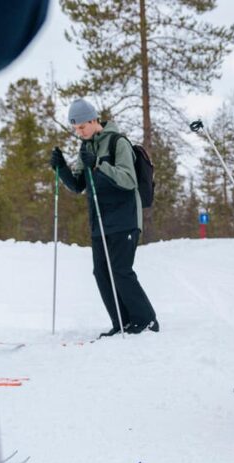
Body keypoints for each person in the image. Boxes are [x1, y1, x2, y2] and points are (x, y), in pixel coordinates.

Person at [49, 98, 158, 337]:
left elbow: (128, 180)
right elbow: (78, 185)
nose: (79, 132)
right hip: (100, 221)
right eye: (75, 128)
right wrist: (61, 169)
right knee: (101, 272)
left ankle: (146, 320)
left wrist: (99, 164)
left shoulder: (118, 142)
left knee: (120, 269)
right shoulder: (85, 148)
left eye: (81, 127)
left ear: (93, 120)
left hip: (125, 218)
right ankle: (122, 321)